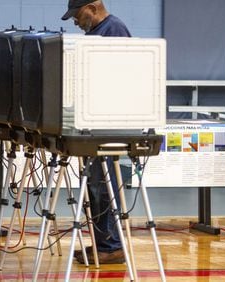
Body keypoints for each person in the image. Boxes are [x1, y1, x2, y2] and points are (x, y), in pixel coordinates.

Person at [61, 0, 130, 264]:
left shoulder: (114, 30)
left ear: (93, 7)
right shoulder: (95, 34)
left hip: (106, 125)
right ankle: (103, 244)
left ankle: (111, 246)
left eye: (78, 16)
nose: (76, 22)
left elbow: (118, 78)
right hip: (91, 124)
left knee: (103, 187)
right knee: (95, 186)